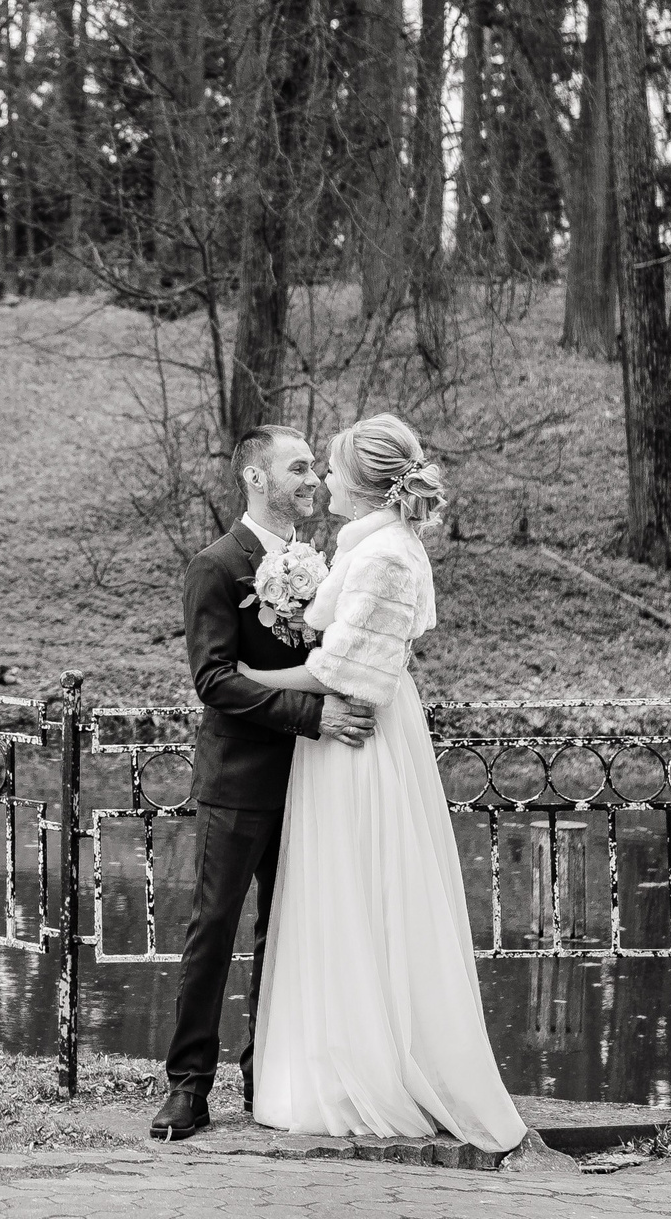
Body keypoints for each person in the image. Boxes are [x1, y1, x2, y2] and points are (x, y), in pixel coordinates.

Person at [242, 414, 526, 1154]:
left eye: (332, 469)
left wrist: (248, 678)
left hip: (359, 742)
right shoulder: (367, 546)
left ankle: (371, 1073)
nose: (325, 481)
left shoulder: (386, 557)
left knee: (360, 891)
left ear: (363, 485)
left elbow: (341, 674)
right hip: (346, 732)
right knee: (340, 894)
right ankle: (336, 1059)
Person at [148, 425, 377, 1143]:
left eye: (314, 468)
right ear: (255, 478)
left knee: (289, 934)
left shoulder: (319, 562)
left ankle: (268, 1075)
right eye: (297, 468)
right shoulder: (216, 567)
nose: (311, 480)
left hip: (314, 783)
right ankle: (188, 1086)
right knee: (212, 932)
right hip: (240, 779)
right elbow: (216, 682)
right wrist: (313, 715)